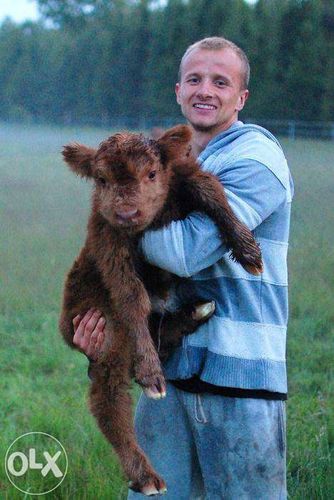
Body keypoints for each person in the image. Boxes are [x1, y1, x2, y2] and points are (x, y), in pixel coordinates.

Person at [72, 37, 293, 499]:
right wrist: (104, 342)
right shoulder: (168, 158)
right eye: (194, 79)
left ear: (242, 97)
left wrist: (116, 213)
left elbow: (185, 252)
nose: (205, 90)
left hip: (238, 378)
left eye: (220, 81)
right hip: (168, 372)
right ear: (178, 90)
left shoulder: (255, 157)